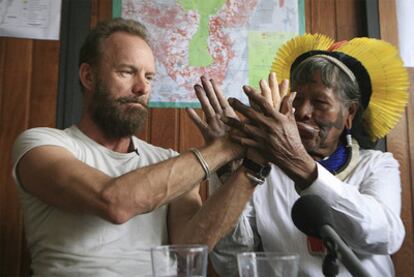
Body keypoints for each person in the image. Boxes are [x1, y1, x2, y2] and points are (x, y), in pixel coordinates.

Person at [11, 18, 269, 276]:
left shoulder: (171, 161)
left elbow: (191, 248)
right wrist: (224, 148)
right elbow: (114, 202)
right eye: (126, 72)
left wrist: (251, 166)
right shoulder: (40, 145)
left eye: (149, 77)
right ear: (88, 76)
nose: (142, 87)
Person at [206, 34, 408, 276]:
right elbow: (232, 264)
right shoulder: (263, 171)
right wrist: (227, 172)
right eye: (297, 99)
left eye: (320, 102)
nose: (302, 112)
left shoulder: (376, 165)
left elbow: (386, 236)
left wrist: (298, 163)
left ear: (349, 114)